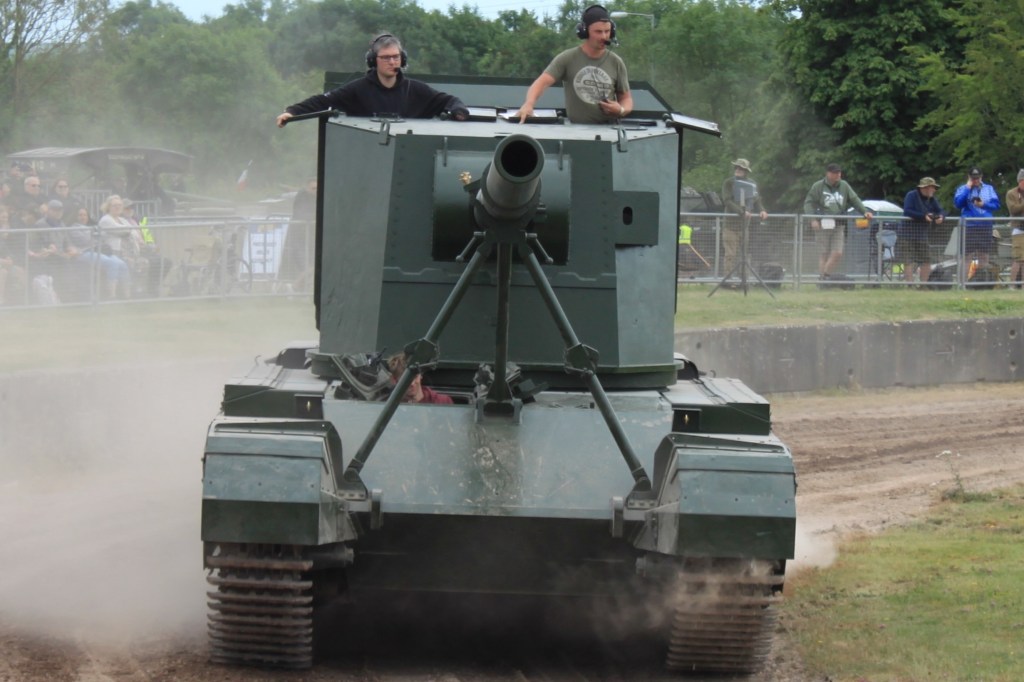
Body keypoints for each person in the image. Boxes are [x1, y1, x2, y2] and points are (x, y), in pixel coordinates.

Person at [276, 34, 469, 126]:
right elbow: (322, 101)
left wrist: (459, 111)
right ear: (373, 60)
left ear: (402, 59)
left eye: (396, 57)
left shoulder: (416, 90)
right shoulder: (357, 89)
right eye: (386, 58)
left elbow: (449, 101)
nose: (392, 62)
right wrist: (292, 111)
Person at [518, 5, 633, 124]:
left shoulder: (616, 62)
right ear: (585, 32)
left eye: (607, 31)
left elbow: (626, 99)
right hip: (576, 130)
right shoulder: (568, 58)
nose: (604, 37)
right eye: (598, 32)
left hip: (609, 130)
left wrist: (621, 110)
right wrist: (528, 104)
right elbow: (541, 83)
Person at [803, 163, 874, 282]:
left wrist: (864, 211)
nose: (838, 175)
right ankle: (823, 281)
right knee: (824, 253)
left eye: (839, 172)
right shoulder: (818, 186)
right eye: (835, 173)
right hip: (823, 224)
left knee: (838, 252)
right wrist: (813, 219)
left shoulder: (844, 185)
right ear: (828, 173)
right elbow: (808, 203)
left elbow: (854, 199)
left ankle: (824, 277)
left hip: (839, 224)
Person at [721, 158, 768, 276]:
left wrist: (762, 210)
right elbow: (727, 201)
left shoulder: (752, 183)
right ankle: (728, 280)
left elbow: (757, 199)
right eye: (736, 167)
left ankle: (743, 279)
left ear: (746, 171)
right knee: (730, 254)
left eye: (741, 168)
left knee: (744, 255)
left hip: (744, 226)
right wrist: (741, 212)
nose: (738, 170)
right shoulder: (729, 182)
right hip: (730, 226)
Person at [952, 166, 999, 272]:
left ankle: (981, 279)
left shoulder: (989, 188)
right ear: (969, 177)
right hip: (969, 226)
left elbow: (996, 205)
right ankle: (964, 281)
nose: (976, 180)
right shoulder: (962, 188)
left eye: (977, 178)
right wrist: (967, 188)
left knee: (984, 255)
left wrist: (983, 204)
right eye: (973, 178)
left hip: (985, 226)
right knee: (967, 256)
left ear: (981, 177)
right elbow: (958, 204)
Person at [900, 177, 945, 285]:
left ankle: (924, 285)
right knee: (908, 261)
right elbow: (907, 211)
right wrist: (923, 216)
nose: (934, 190)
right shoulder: (911, 195)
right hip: (906, 235)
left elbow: (941, 210)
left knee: (926, 260)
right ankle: (910, 286)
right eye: (932, 187)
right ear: (924, 188)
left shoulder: (932, 199)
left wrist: (941, 217)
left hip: (921, 235)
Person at [386, 353, 453, 405]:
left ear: (421, 374)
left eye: (415, 377)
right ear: (394, 380)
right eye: (406, 379)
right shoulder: (386, 406)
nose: (412, 383)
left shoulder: (442, 402)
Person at [1003, 169, 1024, 288]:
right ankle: (1012, 286)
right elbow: (1013, 209)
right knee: (1018, 259)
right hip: (1018, 229)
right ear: (1020, 181)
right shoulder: (1011, 193)